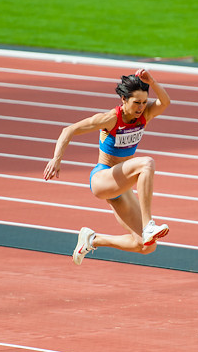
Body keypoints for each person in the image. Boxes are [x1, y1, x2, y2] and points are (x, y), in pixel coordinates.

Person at [43, 69, 171, 264]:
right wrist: (56, 159)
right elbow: (68, 130)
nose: (141, 107)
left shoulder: (145, 114)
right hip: (103, 177)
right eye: (136, 102)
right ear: (123, 99)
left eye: (144, 102)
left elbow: (165, 102)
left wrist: (152, 82)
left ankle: (93, 240)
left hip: (121, 186)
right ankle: (148, 225)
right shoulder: (110, 118)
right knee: (147, 164)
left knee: (146, 246)